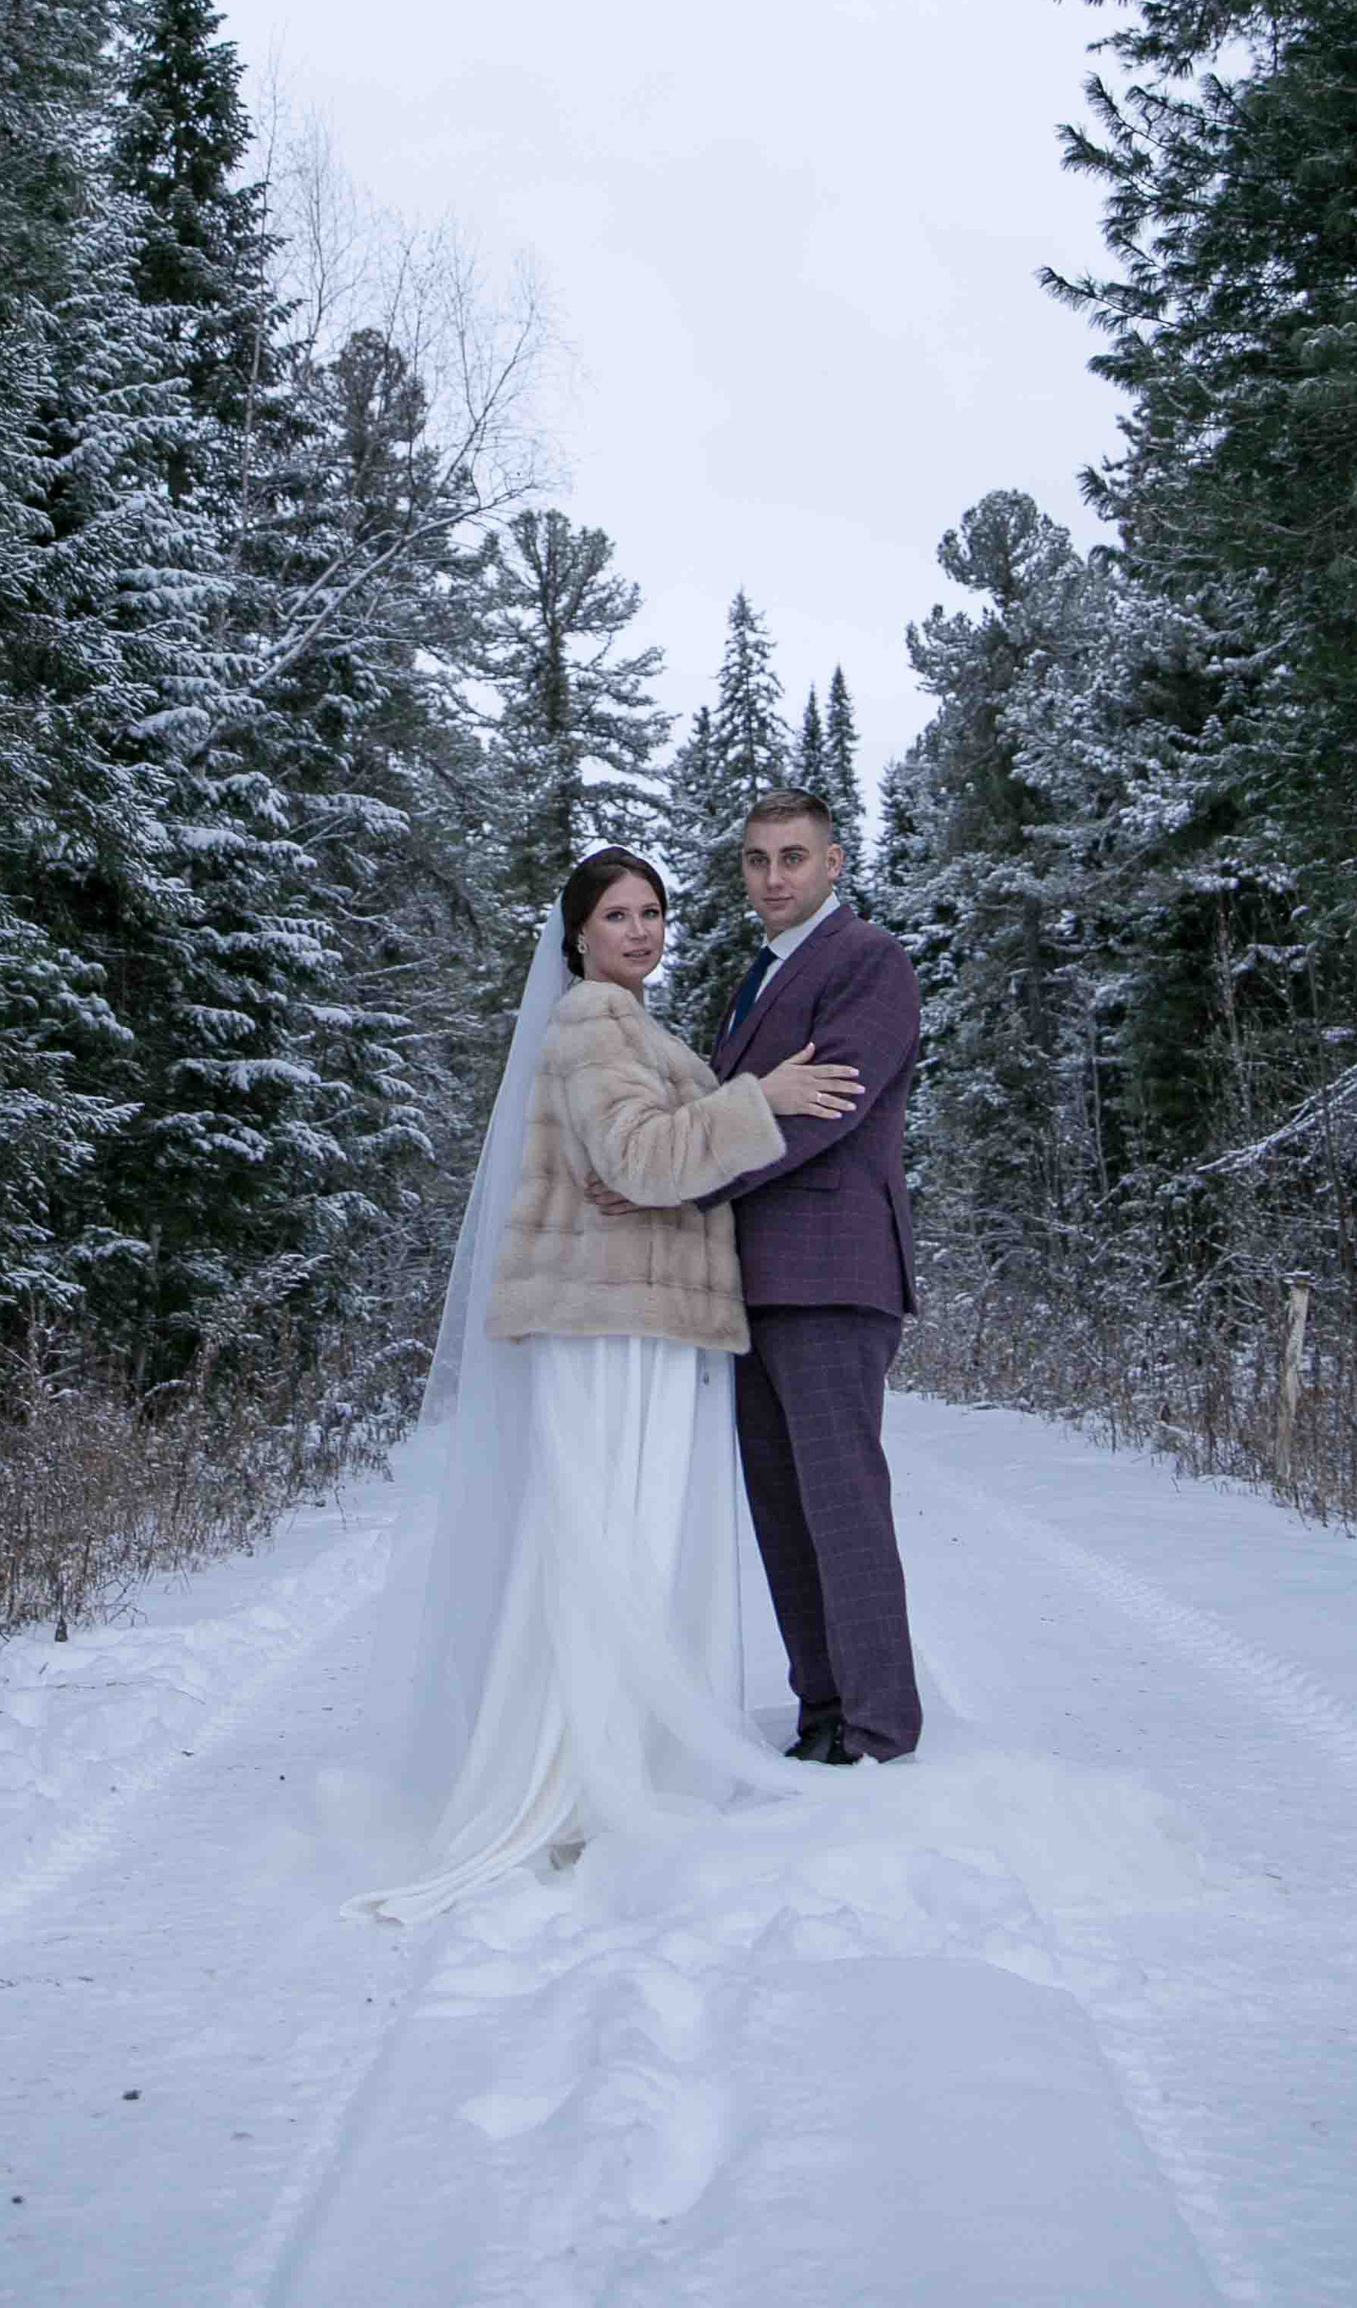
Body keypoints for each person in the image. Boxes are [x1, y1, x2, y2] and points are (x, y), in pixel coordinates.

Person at [352, 847, 860, 1926]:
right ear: (577, 934)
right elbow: (639, 1159)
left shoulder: (631, 1024)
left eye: (653, 912)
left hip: (638, 1319)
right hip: (611, 1325)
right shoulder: (594, 1020)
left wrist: (705, 1129)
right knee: (610, 1546)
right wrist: (760, 1100)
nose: (640, 931)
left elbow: (645, 1158)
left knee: (628, 1543)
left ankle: (617, 1756)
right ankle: (586, 1775)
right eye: (618, 914)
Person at [697, 790, 926, 1768]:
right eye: (757, 859)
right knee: (784, 1511)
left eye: (793, 856)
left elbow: (825, 1106)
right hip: (755, 1280)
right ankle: (823, 1710)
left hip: (833, 1271)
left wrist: (686, 1175)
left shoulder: (867, 958)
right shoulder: (758, 975)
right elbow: (751, 1101)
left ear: (833, 862)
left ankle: (878, 1726)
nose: (773, 876)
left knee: (842, 1504)